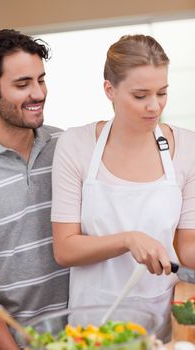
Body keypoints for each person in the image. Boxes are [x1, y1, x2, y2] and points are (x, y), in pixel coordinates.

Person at [51, 34, 195, 343]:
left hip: (159, 324)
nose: (154, 106)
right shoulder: (75, 145)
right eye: (140, 95)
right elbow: (65, 249)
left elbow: (186, 248)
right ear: (110, 90)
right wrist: (128, 239)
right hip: (92, 327)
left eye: (162, 93)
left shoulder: (187, 147)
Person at [0, 29, 69, 350]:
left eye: (41, 79)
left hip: (79, 337)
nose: (38, 93)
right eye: (22, 85)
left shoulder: (63, 146)